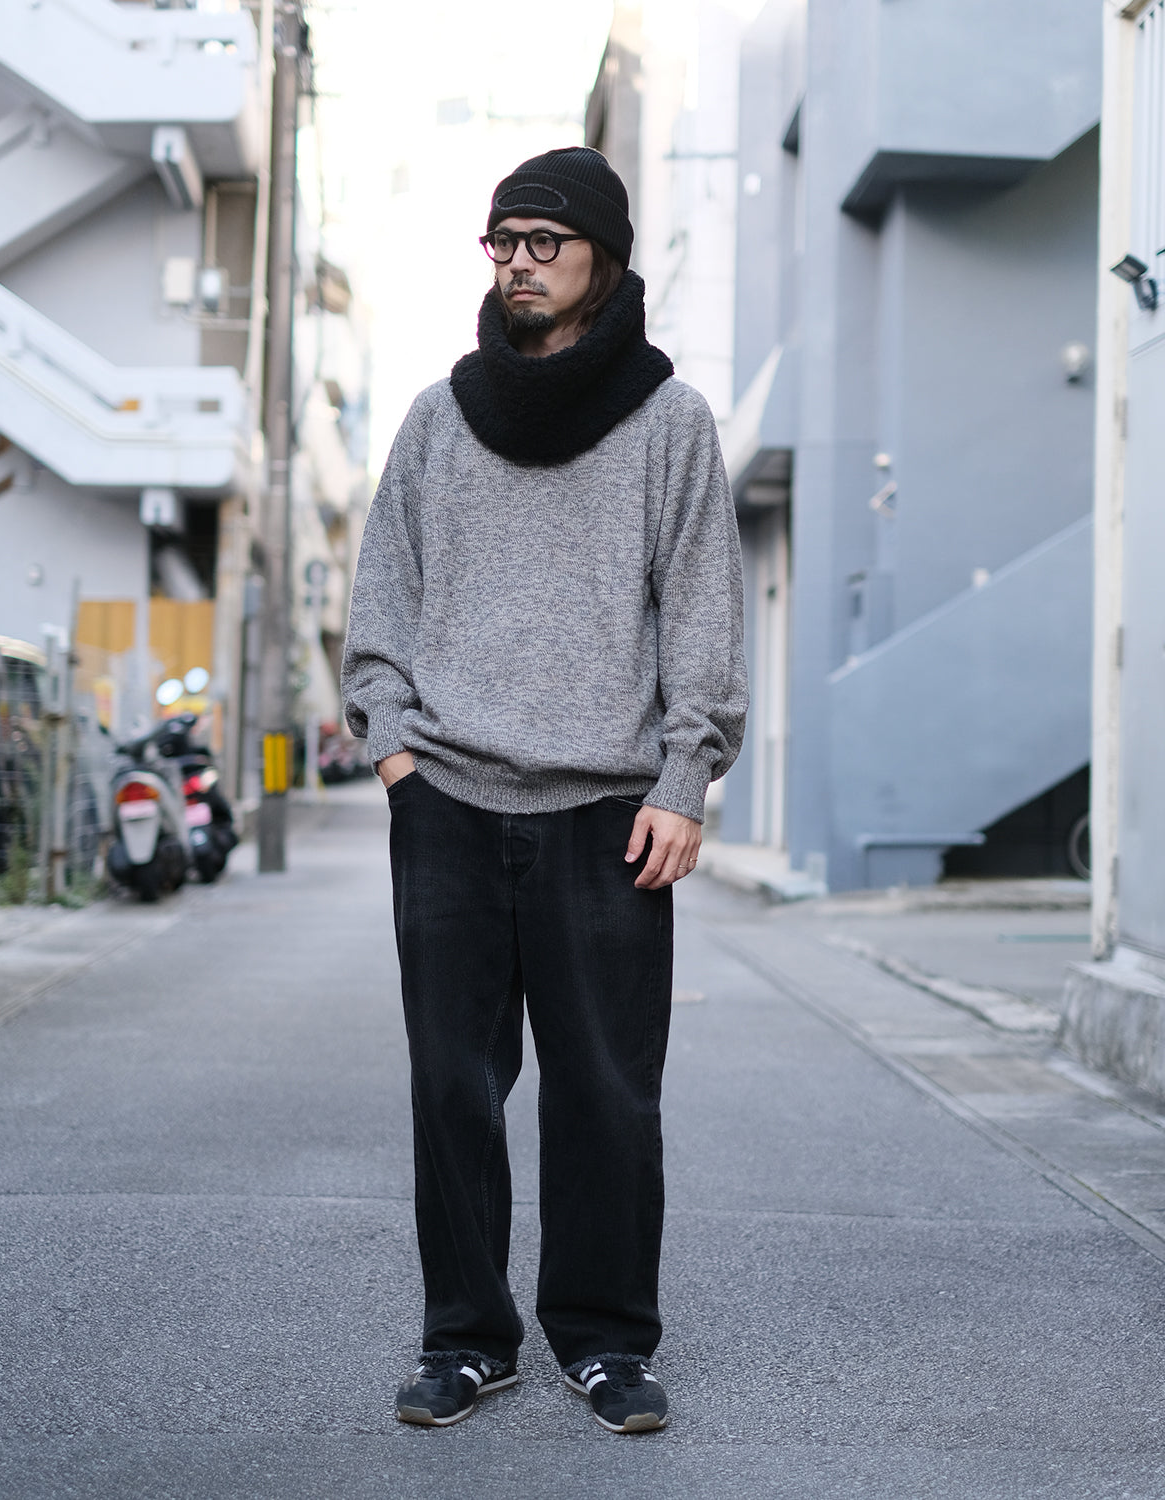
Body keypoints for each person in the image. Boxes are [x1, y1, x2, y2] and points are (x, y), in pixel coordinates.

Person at [341, 146, 748, 1435]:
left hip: (610, 811)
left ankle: (607, 1340)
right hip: (449, 800)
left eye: (543, 241)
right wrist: (397, 756)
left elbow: (702, 608)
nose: (516, 262)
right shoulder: (437, 417)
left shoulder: (669, 423)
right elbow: (381, 601)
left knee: (608, 1095)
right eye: (501, 241)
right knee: (452, 1086)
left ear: (603, 260)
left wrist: (685, 775)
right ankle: (467, 1340)